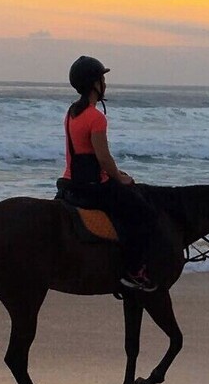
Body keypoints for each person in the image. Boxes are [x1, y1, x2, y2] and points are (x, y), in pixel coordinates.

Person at [58, 56, 166, 292]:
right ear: (94, 84)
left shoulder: (72, 113)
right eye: (102, 78)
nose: (105, 83)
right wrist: (120, 177)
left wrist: (114, 172)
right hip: (92, 186)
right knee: (144, 214)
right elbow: (103, 159)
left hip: (70, 182)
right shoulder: (96, 117)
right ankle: (134, 271)